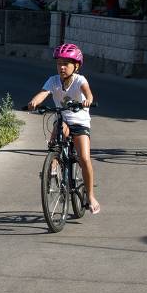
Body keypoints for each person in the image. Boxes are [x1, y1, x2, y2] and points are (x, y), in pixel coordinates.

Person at [26, 43, 101, 214]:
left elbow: (87, 92)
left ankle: (90, 195)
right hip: (63, 118)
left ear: (76, 66)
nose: (62, 67)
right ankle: (52, 167)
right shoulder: (53, 80)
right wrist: (34, 102)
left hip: (80, 122)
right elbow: (44, 92)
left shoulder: (80, 80)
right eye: (59, 63)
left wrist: (88, 100)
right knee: (55, 140)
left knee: (84, 158)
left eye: (66, 64)